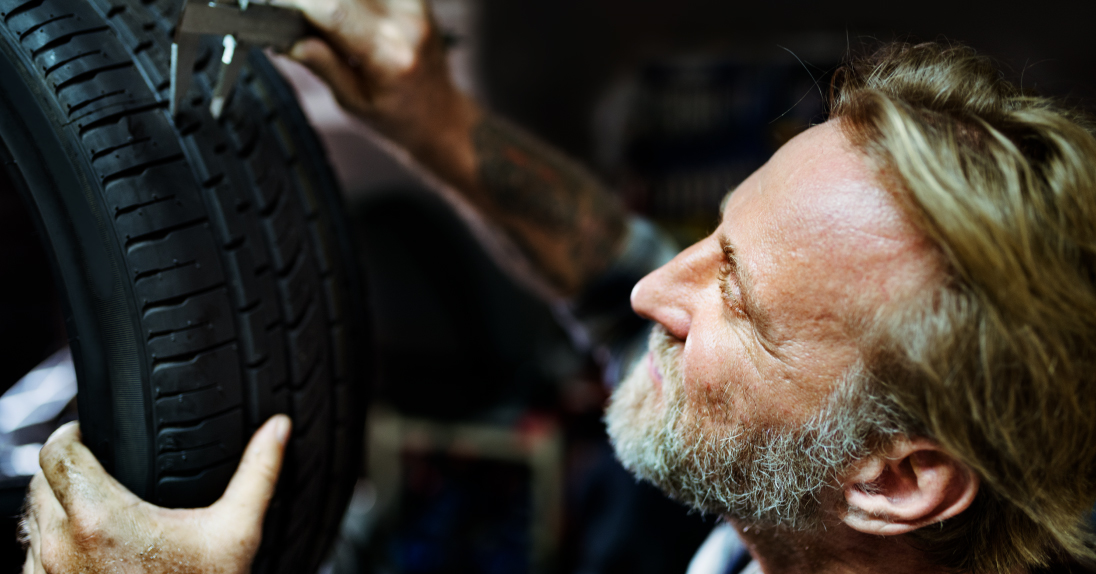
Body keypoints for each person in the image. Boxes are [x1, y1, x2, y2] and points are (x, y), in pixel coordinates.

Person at [19, 0, 1096, 572]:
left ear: (898, 479)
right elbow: (611, 263)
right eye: (713, 239)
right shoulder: (798, 478)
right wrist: (432, 114)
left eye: (736, 299)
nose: (653, 290)